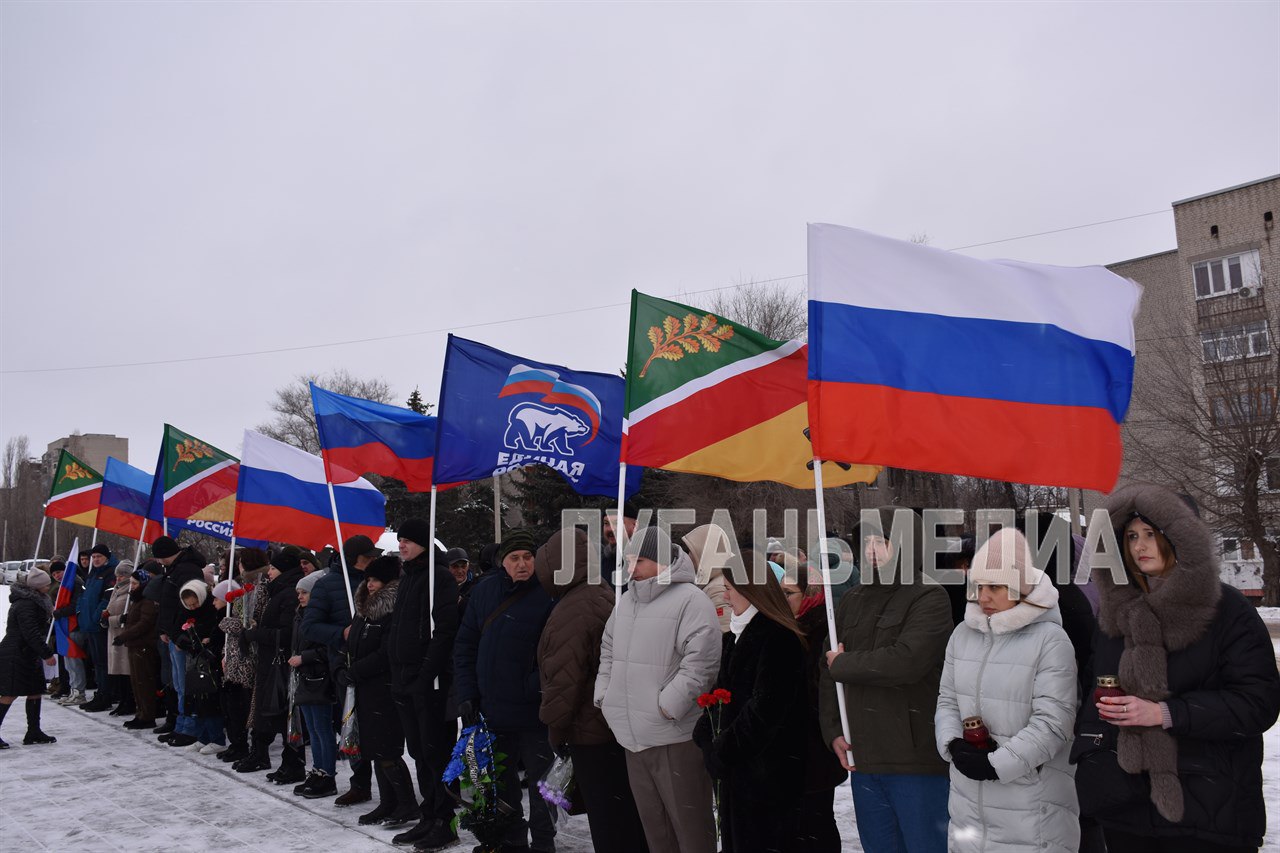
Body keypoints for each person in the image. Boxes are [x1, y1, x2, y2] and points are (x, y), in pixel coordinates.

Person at [1075, 484, 1280, 852]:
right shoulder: (1115, 611)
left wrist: (1165, 713)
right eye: (1132, 535)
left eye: (1152, 534)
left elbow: (1257, 703)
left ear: (1183, 538)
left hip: (1209, 811)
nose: (1139, 546)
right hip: (1126, 810)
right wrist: (1095, 754)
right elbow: (1093, 690)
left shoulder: (1229, 611)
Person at [935, 527, 1079, 852]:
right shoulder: (963, 634)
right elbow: (946, 700)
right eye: (979, 586)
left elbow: (1053, 723)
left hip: (1030, 800)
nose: (983, 597)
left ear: (1020, 588)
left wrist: (996, 764)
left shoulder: (1049, 640)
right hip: (968, 801)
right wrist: (954, 744)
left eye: (995, 587)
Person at [819, 506, 951, 853]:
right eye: (867, 542)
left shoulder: (928, 596)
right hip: (863, 756)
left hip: (914, 758)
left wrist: (845, 664)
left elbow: (906, 662)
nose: (872, 550)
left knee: (925, 846)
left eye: (883, 541)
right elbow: (826, 669)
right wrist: (832, 728)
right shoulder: (851, 600)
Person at [595, 526, 721, 853]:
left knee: (692, 832)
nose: (631, 568)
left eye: (640, 560)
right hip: (631, 737)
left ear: (663, 562)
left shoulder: (692, 600)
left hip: (674, 737)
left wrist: (667, 707)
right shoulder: (625, 602)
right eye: (629, 560)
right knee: (657, 833)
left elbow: (702, 663)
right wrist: (605, 694)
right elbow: (607, 649)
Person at [536, 527, 649, 853]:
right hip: (611, 727)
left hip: (591, 732)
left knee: (609, 823)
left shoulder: (574, 608)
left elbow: (564, 681)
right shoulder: (599, 593)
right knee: (624, 816)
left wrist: (556, 730)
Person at [694, 555, 808, 852]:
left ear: (751, 589)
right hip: (742, 775)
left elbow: (764, 711)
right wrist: (706, 734)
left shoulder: (779, 637)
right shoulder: (735, 637)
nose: (726, 595)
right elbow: (720, 695)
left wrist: (722, 750)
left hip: (769, 780)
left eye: (730, 587)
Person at [455, 528, 557, 853]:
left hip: (533, 712)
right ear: (503, 562)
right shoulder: (485, 592)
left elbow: (554, 654)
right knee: (500, 783)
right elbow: (465, 645)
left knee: (542, 785)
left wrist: (531, 687)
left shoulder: (548, 594)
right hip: (492, 709)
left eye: (528, 557)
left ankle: (543, 843)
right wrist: (468, 693)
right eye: (515, 558)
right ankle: (512, 840)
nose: (522, 563)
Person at [384, 518, 460, 850]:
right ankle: (428, 816)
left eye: (409, 540)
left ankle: (446, 821)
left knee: (436, 753)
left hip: (429, 682)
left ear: (424, 545)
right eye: (400, 540)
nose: (402, 545)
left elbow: (444, 632)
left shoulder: (438, 577)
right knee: (417, 752)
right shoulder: (408, 577)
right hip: (403, 681)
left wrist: (425, 675)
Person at [301, 533, 383, 807]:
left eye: (374, 557)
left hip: (379, 662)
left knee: (381, 725)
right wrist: (342, 633)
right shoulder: (327, 586)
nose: (371, 562)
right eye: (366, 558)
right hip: (345, 663)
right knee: (352, 725)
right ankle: (360, 783)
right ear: (351, 559)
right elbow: (309, 626)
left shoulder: (380, 581)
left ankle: (391, 786)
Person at [340, 555, 419, 828]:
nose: (370, 584)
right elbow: (355, 642)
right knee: (373, 749)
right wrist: (346, 664)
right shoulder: (364, 607)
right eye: (368, 579)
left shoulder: (393, 609)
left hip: (385, 690)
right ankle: (388, 802)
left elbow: (386, 652)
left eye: (375, 580)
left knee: (387, 750)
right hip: (364, 689)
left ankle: (407, 803)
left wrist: (357, 669)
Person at [781, 558, 846, 851]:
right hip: (792, 747)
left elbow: (822, 689)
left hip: (815, 745)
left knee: (816, 822)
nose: (782, 600)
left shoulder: (825, 630)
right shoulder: (788, 625)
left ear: (809, 594)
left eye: (789, 593)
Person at [241, 550, 306, 783]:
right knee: (274, 713)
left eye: (273, 569)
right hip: (273, 661)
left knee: (286, 714)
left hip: (283, 662)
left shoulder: (288, 593)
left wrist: (256, 634)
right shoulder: (280, 591)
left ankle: (294, 763)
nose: (268, 573)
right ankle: (283, 761)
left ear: (284, 570)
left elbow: (287, 632)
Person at [152, 536, 208, 744]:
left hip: (181, 635)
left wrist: (177, 633)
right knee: (177, 683)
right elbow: (168, 604)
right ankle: (180, 725)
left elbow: (186, 606)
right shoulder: (175, 569)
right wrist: (164, 629)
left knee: (185, 684)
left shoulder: (186, 570)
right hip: (173, 633)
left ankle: (189, 728)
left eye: (159, 557)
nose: (158, 562)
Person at [289, 571, 338, 797]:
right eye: (298, 592)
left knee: (322, 729)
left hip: (319, 678)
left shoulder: (321, 617)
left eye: (305, 592)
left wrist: (304, 658)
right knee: (313, 728)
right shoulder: (300, 615)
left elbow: (328, 648)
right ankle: (318, 770)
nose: (300, 596)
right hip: (305, 678)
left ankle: (327, 774)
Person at [217, 548, 268, 764]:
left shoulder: (260, 588)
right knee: (233, 703)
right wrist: (225, 652)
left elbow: (252, 622)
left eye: (240, 562)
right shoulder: (246, 586)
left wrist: (228, 623)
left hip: (248, 654)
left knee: (243, 703)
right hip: (236, 652)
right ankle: (236, 744)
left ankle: (246, 746)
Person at [0, 570, 58, 748]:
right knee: (9, 693)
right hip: (16, 653)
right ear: (37, 587)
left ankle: (34, 730)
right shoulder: (26, 604)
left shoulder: (35, 601)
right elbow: (30, 633)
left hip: (27, 653)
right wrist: (47, 653)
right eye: (46, 584)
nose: (49, 587)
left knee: (34, 690)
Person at [174, 579, 226, 753]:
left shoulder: (213, 610)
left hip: (209, 661)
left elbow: (212, 633)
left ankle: (216, 737)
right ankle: (203, 737)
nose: (193, 607)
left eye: (195, 603)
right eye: (189, 605)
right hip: (195, 659)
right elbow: (179, 633)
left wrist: (203, 640)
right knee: (198, 700)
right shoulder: (184, 612)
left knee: (209, 699)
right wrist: (189, 640)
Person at [113, 566, 160, 729]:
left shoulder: (147, 600)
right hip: (135, 645)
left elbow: (144, 624)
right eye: (131, 583)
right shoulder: (138, 599)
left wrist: (124, 636)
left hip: (143, 646)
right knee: (137, 682)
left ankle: (147, 715)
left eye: (135, 583)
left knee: (144, 682)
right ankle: (141, 713)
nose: (132, 586)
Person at [77, 544, 118, 712]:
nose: (95, 560)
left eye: (98, 557)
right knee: (96, 661)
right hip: (88, 624)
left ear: (106, 557)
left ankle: (106, 695)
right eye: (93, 557)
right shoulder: (92, 573)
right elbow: (83, 595)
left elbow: (106, 600)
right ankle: (100, 693)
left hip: (99, 625)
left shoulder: (110, 573)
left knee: (102, 661)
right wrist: (80, 612)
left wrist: (95, 617)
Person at [682, 523, 733, 632]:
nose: (689, 556)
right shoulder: (721, 578)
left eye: (692, 551)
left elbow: (724, 633)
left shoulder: (719, 588)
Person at [51, 559, 88, 706]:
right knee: (69, 661)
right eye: (53, 574)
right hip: (67, 626)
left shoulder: (75, 583)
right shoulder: (64, 584)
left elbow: (76, 606)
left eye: (58, 572)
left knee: (74, 659)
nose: (56, 576)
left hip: (75, 626)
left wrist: (59, 612)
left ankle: (79, 691)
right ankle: (74, 690)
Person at [105, 560, 136, 719]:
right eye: (117, 575)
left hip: (124, 633)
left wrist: (113, 620)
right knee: (117, 671)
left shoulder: (130, 591)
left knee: (126, 670)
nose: (118, 578)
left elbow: (129, 616)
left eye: (122, 575)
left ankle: (129, 702)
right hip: (113, 633)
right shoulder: (116, 590)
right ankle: (123, 701)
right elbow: (110, 609)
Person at [443, 547, 477, 618]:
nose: (460, 571)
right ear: (447, 567)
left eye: (463, 566)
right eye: (455, 566)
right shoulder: (440, 587)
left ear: (468, 567)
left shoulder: (476, 587)